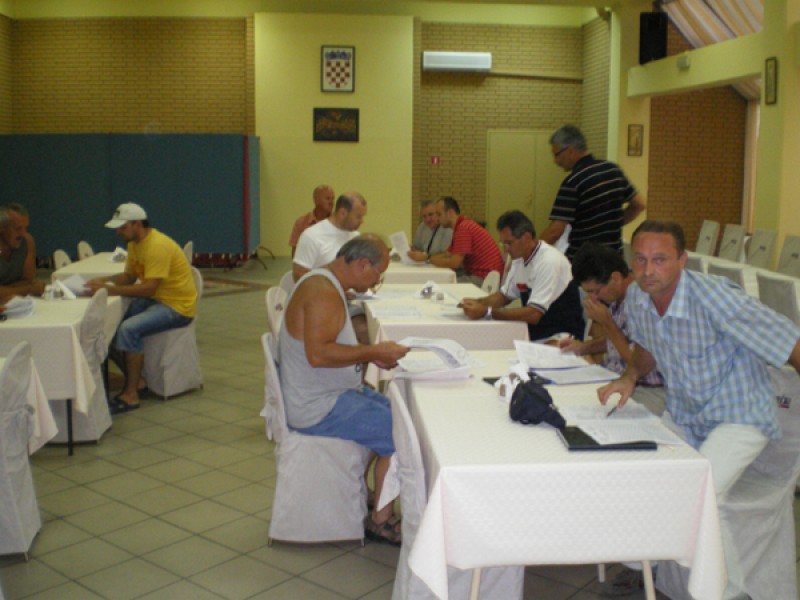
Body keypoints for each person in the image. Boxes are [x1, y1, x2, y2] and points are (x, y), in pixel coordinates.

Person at [598, 220, 800, 599]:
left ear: (682, 260)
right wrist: (629, 377)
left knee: (702, 494)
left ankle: (729, 593)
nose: (648, 270)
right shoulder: (639, 297)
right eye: (640, 260)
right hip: (687, 415)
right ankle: (650, 565)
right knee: (636, 469)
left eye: (660, 260)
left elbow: (789, 341)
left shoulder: (715, 298)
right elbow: (648, 345)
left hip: (739, 416)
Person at [279, 236, 409, 544]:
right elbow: (319, 354)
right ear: (363, 265)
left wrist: (370, 356)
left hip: (326, 393)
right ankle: (380, 521)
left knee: (401, 414)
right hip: (318, 406)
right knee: (402, 433)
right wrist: (373, 351)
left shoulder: (326, 283)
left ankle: (370, 493)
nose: (377, 282)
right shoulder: (322, 292)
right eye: (378, 274)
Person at [85, 203, 197, 414]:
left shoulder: (157, 246)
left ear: (137, 224)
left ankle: (131, 395)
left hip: (177, 306)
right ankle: (138, 381)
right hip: (159, 299)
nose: (118, 232)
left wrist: (108, 290)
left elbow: (148, 288)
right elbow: (129, 276)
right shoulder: (135, 244)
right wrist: (104, 280)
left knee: (128, 329)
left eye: (122, 227)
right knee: (109, 328)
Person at [460, 210, 584, 341]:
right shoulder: (519, 259)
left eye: (509, 243)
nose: (505, 249)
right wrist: (476, 303)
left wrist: (487, 312)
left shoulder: (549, 261)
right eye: (503, 243)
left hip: (561, 335)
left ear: (526, 237)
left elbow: (533, 314)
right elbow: (503, 296)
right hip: (537, 331)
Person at [560, 243, 663, 388]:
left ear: (615, 278)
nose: (593, 298)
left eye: (595, 291)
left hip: (642, 387)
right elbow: (622, 340)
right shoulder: (618, 296)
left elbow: (638, 366)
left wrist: (607, 323)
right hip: (612, 374)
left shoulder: (644, 302)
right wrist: (583, 347)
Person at [539, 125, 646, 261]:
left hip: (584, 262)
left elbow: (555, 231)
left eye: (556, 155)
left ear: (570, 151)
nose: (556, 161)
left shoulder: (573, 181)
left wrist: (532, 250)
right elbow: (639, 204)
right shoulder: (613, 170)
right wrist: (614, 223)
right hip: (614, 259)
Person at [427, 196, 503, 286]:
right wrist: (428, 258)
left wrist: (429, 260)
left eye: (439, 214)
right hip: (483, 275)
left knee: (443, 285)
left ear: (450, 213)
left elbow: (454, 263)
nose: (436, 219)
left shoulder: (463, 228)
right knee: (442, 280)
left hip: (484, 279)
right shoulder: (461, 225)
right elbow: (448, 254)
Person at [292, 191, 367, 282]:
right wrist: (332, 287)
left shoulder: (356, 236)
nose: (362, 221)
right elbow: (299, 277)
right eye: (358, 217)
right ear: (343, 213)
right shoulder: (312, 236)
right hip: (322, 290)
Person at [0, 205, 45, 297]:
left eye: (26, 228)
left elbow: (27, 281)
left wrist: (5, 290)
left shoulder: (27, 242)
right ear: (2, 228)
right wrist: (28, 290)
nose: (23, 234)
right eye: (18, 228)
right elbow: (29, 286)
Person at [288, 184, 335, 257]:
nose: (331, 203)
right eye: (328, 199)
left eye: (333, 199)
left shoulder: (339, 222)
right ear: (316, 200)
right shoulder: (301, 222)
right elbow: (295, 254)